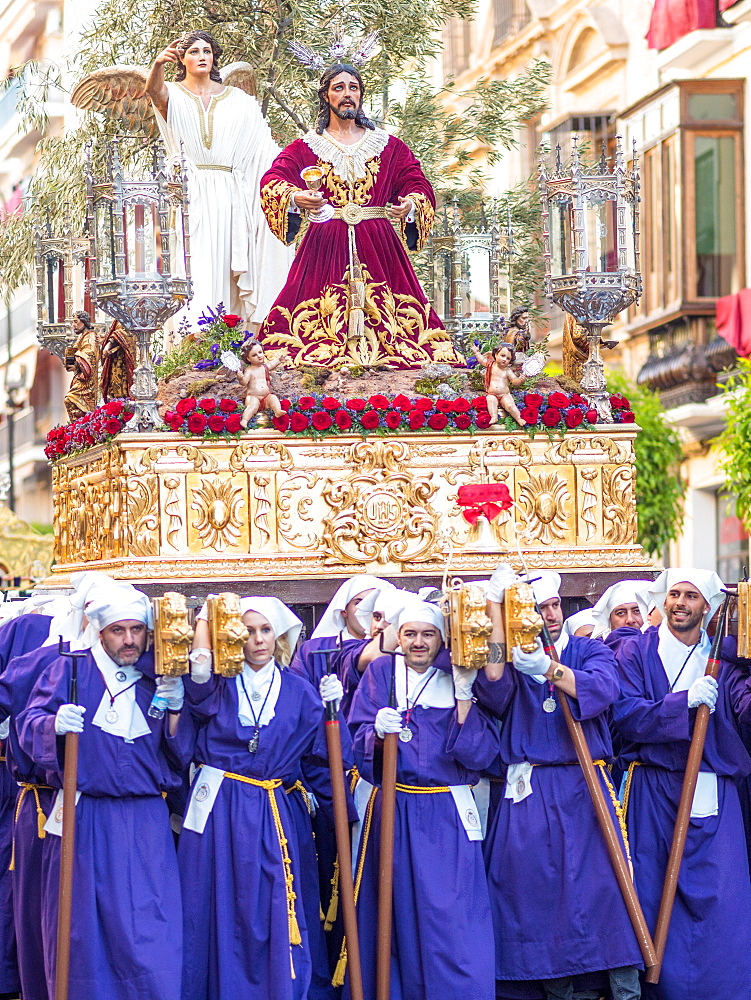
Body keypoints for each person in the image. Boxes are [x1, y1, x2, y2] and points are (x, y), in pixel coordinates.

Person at [473, 568, 642, 1000]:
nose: (547, 615)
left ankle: (624, 988)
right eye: (535, 608)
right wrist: (494, 611)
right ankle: (558, 988)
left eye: (552, 606)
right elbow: (491, 686)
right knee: (538, 891)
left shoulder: (588, 648)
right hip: (529, 791)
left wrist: (550, 669)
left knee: (604, 889)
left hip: (585, 784)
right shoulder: (508, 657)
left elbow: (603, 690)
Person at [178, 595, 351, 1000]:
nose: (257, 640)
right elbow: (194, 692)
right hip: (220, 808)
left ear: (279, 635)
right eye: (248, 631)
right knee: (217, 899)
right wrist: (206, 620)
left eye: (266, 630)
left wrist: (333, 712)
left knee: (277, 899)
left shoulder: (301, 691)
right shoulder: (217, 683)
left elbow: (325, 758)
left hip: (275, 810)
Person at [17, 584, 184, 1000]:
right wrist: (51, 724)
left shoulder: (158, 676)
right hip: (84, 815)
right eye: (117, 631)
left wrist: (179, 710)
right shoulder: (70, 669)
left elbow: (181, 752)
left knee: (150, 926)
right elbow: (29, 721)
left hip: (145, 819)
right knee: (81, 929)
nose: (129, 640)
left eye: (136, 630)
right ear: (100, 631)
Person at [258, 62, 463, 370]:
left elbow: (417, 182)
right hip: (326, 241)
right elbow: (273, 179)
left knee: (404, 328)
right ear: (325, 96)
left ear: (361, 94)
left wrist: (410, 205)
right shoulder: (306, 147)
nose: (347, 95)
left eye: (353, 88)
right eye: (338, 88)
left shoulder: (388, 146)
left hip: (378, 241)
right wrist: (295, 196)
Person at [345, 599, 497, 999]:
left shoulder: (458, 675)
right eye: (410, 633)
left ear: (441, 639)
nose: (418, 642)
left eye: (428, 634)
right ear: (398, 636)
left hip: (446, 812)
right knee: (393, 909)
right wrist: (374, 732)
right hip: (394, 807)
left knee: (452, 911)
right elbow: (355, 742)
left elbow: (480, 756)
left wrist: (464, 701)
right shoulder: (381, 671)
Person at [612, 568, 751, 1000]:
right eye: (674, 594)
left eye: (691, 597)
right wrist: (679, 704)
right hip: (654, 789)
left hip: (711, 789)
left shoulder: (726, 659)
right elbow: (622, 715)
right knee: (653, 896)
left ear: (706, 608)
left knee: (721, 897)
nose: (680, 603)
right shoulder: (636, 652)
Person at [0, 572, 117, 1000]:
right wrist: (44, 729)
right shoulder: (42, 654)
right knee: (46, 910)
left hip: (113, 809)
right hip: (46, 801)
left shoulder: (140, 667)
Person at [146, 30, 292, 330]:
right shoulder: (172, 93)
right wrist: (157, 65)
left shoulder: (238, 99)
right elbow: (154, 93)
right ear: (182, 58)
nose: (202, 56)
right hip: (191, 193)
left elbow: (263, 149)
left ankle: (231, 342)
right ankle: (193, 340)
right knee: (195, 265)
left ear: (214, 57)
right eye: (194, 51)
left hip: (231, 192)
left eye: (207, 51)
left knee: (229, 267)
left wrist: (290, 176)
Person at [471, 342, 526, 426]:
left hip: (504, 394)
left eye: (508, 358)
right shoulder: (491, 365)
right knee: (490, 400)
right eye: (502, 356)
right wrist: (476, 352)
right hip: (492, 394)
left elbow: (514, 380)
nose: (504, 359)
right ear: (496, 355)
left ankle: (518, 418)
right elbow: (481, 360)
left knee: (510, 406)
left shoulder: (507, 370)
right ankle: (494, 416)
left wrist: (520, 380)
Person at [64, 310, 98, 420]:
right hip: (81, 377)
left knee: (70, 399)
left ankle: (80, 425)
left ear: (84, 321)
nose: (73, 325)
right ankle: (79, 426)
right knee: (70, 401)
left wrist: (77, 356)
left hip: (87, 382)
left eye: (75, 321)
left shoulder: (90, 338)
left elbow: (89, 356)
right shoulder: (81, 337)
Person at [100, 320, 136, 401]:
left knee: (123, 384)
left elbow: (123, 334)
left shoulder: (129, 317)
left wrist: (108, 345)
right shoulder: (117, 319)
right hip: (115, 358)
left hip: (124, 360)